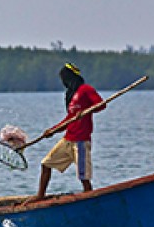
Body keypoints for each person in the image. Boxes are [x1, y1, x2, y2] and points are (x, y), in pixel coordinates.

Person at [25, 63, 105, 204]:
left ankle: (89, 198)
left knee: (83, 176)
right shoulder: (71, 95)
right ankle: (40, 195)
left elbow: (101, 105)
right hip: (68, 139)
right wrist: (53, 130)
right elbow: (69, 119)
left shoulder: (86, 89)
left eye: (64, 78)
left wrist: (87, 110)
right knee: (46, 164)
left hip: (81, 141)